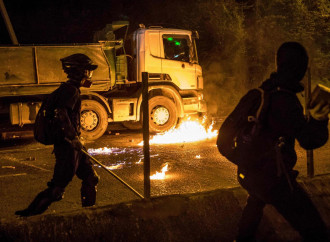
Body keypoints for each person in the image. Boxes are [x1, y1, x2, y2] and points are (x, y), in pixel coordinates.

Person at [234, 42, 330, 241]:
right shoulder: (286, 100)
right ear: (300, 68)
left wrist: (244, 161)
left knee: (255, 201)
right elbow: (309, 140)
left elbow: (226, 135)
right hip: (274, 180)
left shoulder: (262, 92)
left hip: (249, 174)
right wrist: (319, 118)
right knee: (315, 229)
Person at [15, 53, 100, 217]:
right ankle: (27, 217)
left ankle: (91, 215)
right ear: (80, 72)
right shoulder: (71, 91)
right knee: (57, 190)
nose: (90, 75)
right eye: (88, 71)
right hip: (68, 147)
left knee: (91, 178)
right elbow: (61, 114)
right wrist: (73, 138)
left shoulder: (68, 89)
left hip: (74, 146)